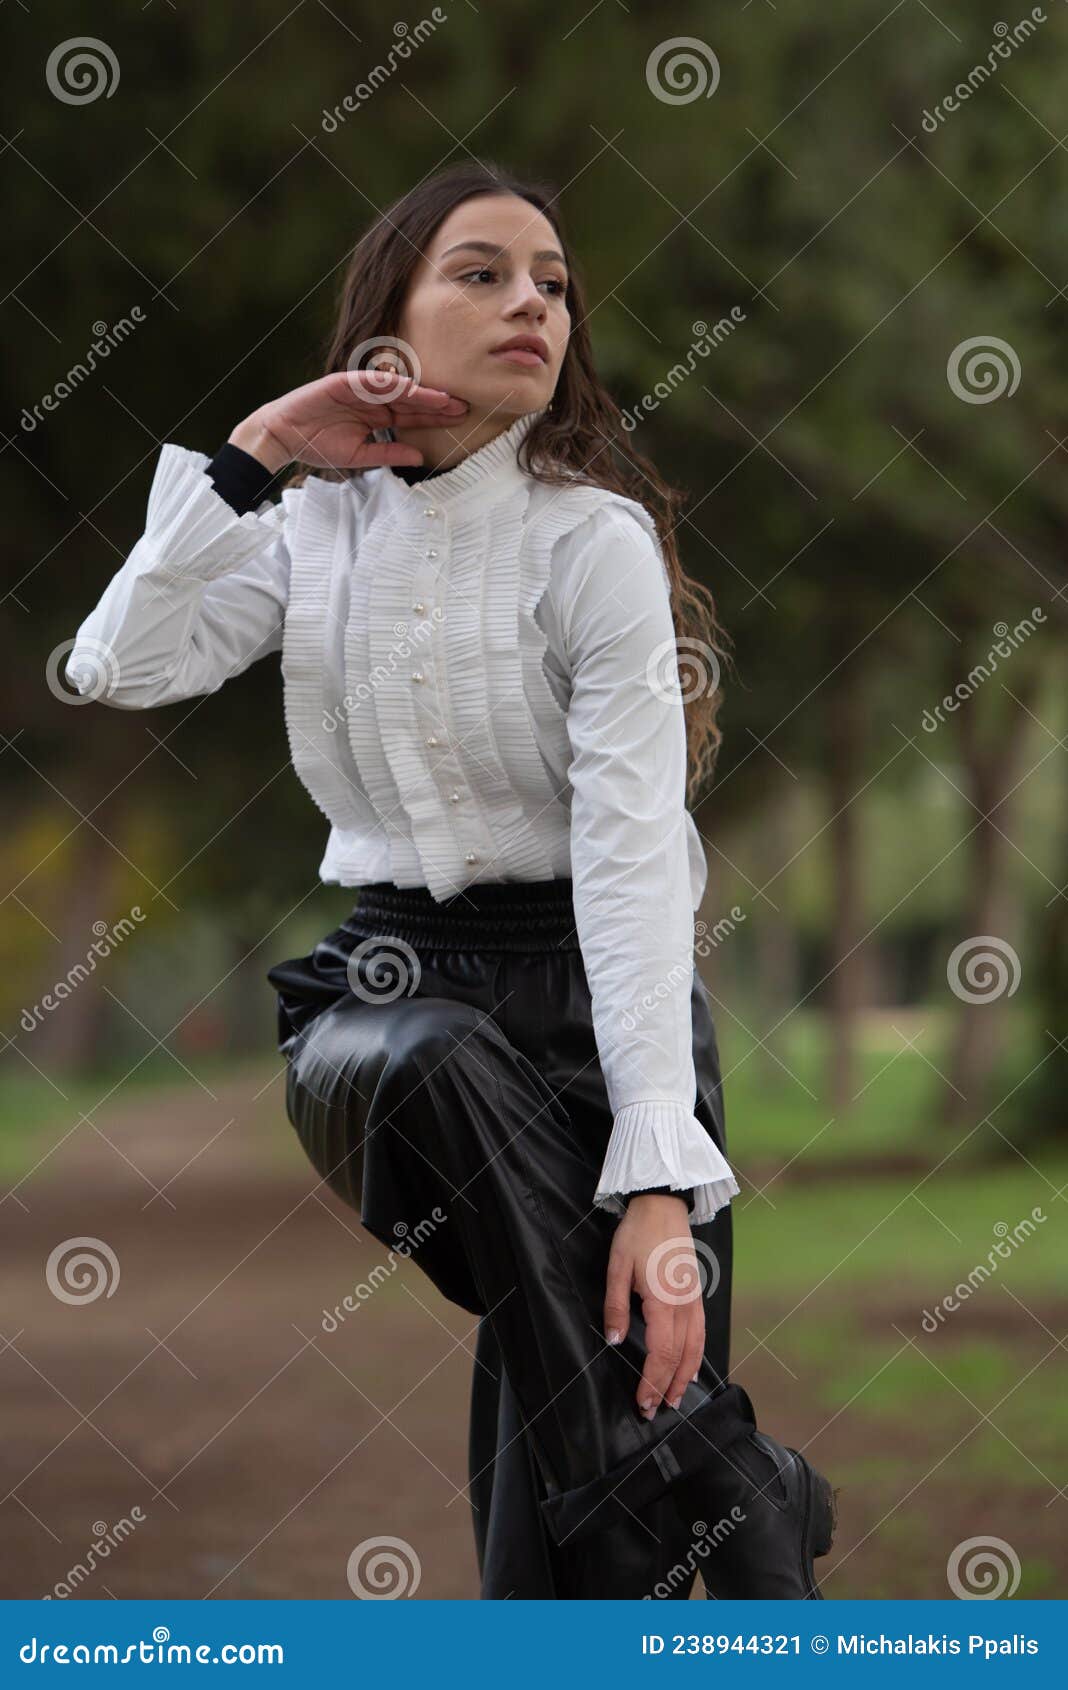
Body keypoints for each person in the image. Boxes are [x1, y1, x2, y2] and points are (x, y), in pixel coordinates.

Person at [66, 159, 837, 1600]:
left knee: (580, 1540)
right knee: (432, 1064)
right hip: (386, 998)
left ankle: (703, 1488)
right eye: (480, 273)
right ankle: (734, 1474)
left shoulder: (588, 545)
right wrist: (256, 453)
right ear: (387, 328)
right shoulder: (311, 531)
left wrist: (660, 1177)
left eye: (551, 282)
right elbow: (116, 667)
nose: (530, 302)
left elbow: (627, 859)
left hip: (598, 1011)